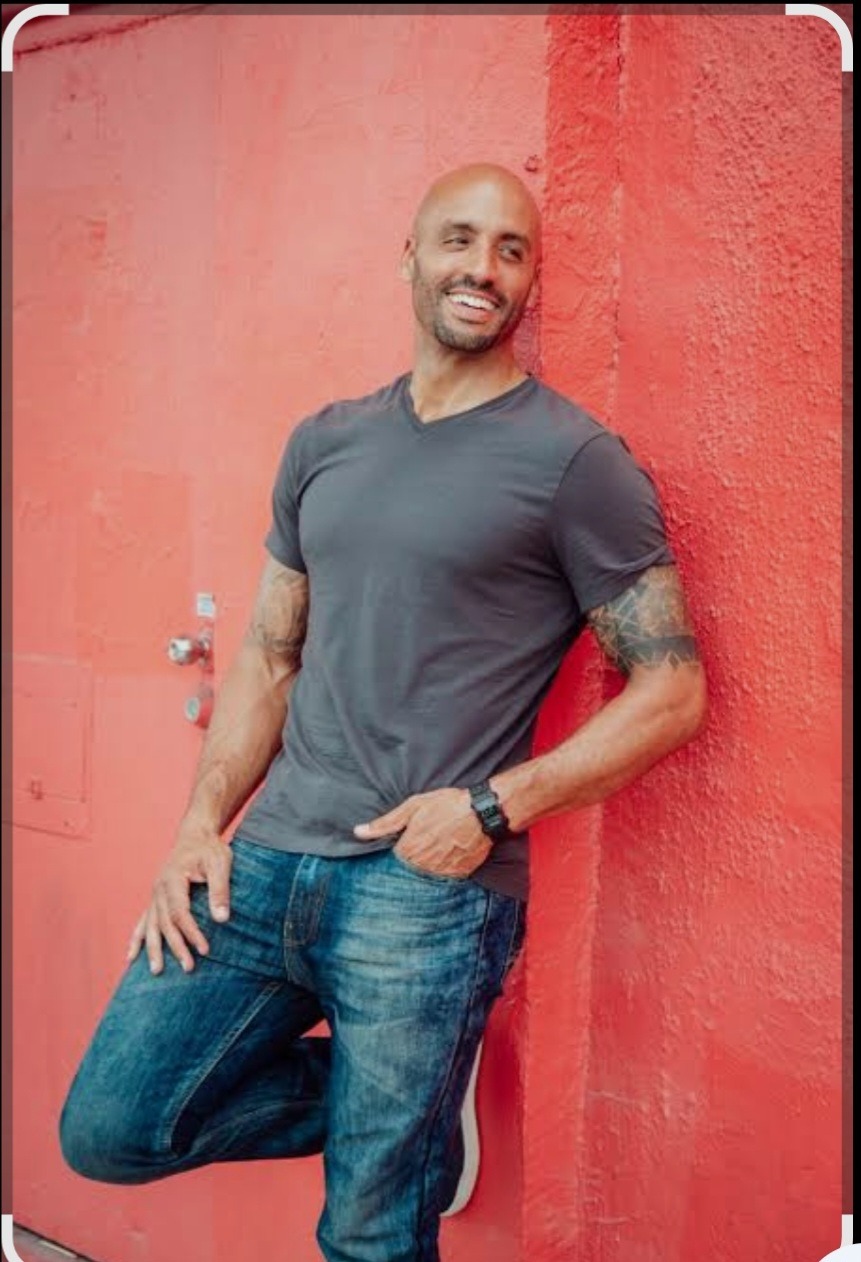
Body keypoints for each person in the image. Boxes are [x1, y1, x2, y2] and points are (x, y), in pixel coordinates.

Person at [58, 162, 707, 1262]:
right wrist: (198, 825)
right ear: (408, 257)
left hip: (426, 890)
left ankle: (402, 1117)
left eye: (511, 251)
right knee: (114, 1127)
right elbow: (270, 652)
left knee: (370, 1232)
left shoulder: (574, 462)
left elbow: (673, 688)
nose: (483, 268)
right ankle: (409, 1106)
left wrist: (491, 808)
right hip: (265, 862)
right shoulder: (325, 441)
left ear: (529, 281)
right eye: (459, 239)